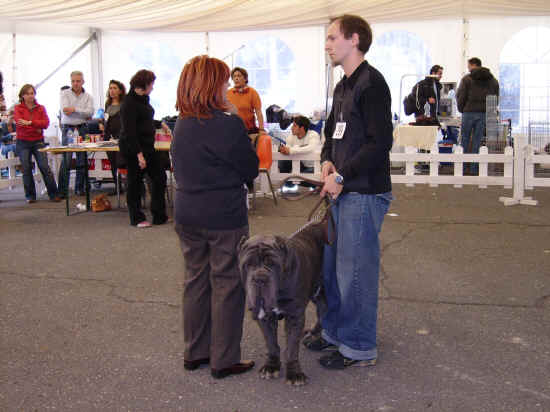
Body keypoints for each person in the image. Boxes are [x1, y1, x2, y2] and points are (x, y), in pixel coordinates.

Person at [303, 14, 393, 370]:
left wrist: (342, 177)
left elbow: (379, 143)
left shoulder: (372, 84)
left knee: (354, 273)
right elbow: (331, 135)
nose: (326, 45)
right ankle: (335, 332)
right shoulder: (342, 86)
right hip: (341, 191)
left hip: (364, 193)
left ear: (354, 39)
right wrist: (327, 162)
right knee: (332, 271)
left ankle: (358, 346)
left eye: (331, 38)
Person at [172, 55, 259, 379]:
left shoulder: (181, 123)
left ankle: (195, 352)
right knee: (226, 283)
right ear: (212, 86)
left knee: (195, 281)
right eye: (223, 81)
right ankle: (224, 359)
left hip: (187, 212)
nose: (227, 87)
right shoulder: (228, 124)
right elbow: (250, 169)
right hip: (223, 215)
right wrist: (237, 119)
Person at [119, 69, 170, 228]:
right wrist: (139, 155)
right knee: (135, 183)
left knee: (160, 178)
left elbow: (145, 120)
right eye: (151, 84)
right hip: (133, 147)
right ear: (144, 84)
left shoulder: (144, 99)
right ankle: (136, 218)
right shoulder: (128, 103)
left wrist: (160, 123)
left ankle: (159, 215)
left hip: (148, 146)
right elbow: (130, 131)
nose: (153, 87)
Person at [13, 84, 61, 203]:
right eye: (27, 93)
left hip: (38, 141)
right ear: (22, 95)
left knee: (45, 167)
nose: (30, 96)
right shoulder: (18, 108)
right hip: (23, 142)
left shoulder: (41, 108)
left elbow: (45, 123)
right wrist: (36, 125)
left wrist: (29, 123)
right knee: (26, 168)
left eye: (32, 93)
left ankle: (53, 194)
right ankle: (30, 196)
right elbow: (19, 123)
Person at [456, 57, 499, 175]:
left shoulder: (467, 79)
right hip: (483, 113)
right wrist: (489, 111)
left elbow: (460, 96)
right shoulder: (492, 80)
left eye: (468, 65)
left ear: (473, 65)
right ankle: (474, 169)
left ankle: (463, 168)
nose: (468, 68)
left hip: (468, 113)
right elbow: (495, 99)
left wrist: (462, 109)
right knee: (477, 141)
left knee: (464, 140)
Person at [58, 71, 94, 197]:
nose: (75, 83)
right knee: (66, 160)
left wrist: (75, 109)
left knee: (82, 160)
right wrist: (81, 111)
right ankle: (62, 191)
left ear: (83, 81)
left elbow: (90, 113)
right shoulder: (64, 94)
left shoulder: (88, 96)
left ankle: (80, 188)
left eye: (78, 81)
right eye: (73, 81)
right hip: (68, 128)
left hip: (82, 128)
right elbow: (66, 111)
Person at [101, 80, 126, 193]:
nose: (112, 90)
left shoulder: (124, 104)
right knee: (113, 163)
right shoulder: (107, 104)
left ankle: (129, 187)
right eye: (110, 88)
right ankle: (117, 187)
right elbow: (106, 119)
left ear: (120, 91)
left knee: (122, 162)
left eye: (115, 88)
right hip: (108, 138)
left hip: (121, 138)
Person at [226, 67, 266, 135]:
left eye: (239, 76)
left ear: (245, 78)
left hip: (249, 130)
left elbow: (258, 112)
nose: (236, 78)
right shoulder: (228, 93)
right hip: (233, 130)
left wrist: (261, 129)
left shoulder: (252, 92)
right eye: (234, 76)